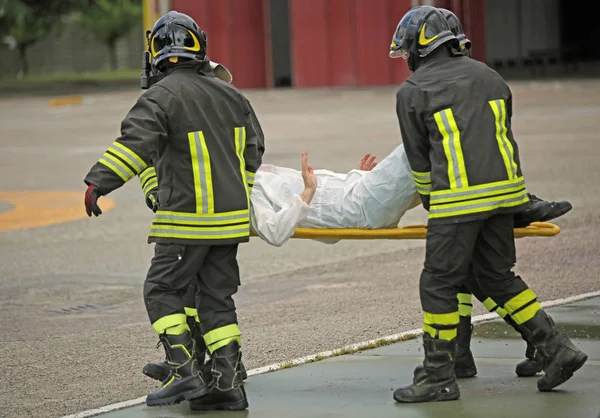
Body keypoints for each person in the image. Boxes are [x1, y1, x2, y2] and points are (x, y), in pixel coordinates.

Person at [388, 5, 586, 403]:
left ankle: (439, 375)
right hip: (506, 198)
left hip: (457, 203)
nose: (406, 59)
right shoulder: (491, 77)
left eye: (407, 51)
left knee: (439, 283)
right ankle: (557, 348)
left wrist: (432, 201)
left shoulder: (413, 92)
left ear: (420, 48)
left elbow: (420, 163)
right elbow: (501, 138)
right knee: (496, 276)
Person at [83, 10, 264, 411]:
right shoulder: (233, 95)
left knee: (161, 289)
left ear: (156, 55)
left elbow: (134, 145)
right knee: (215, 299)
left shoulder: (160, 96)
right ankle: (228, 385)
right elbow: (252, 153)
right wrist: (236, 197)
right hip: (229, 223)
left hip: (186, 221)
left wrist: (100, 182)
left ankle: (184, 373)